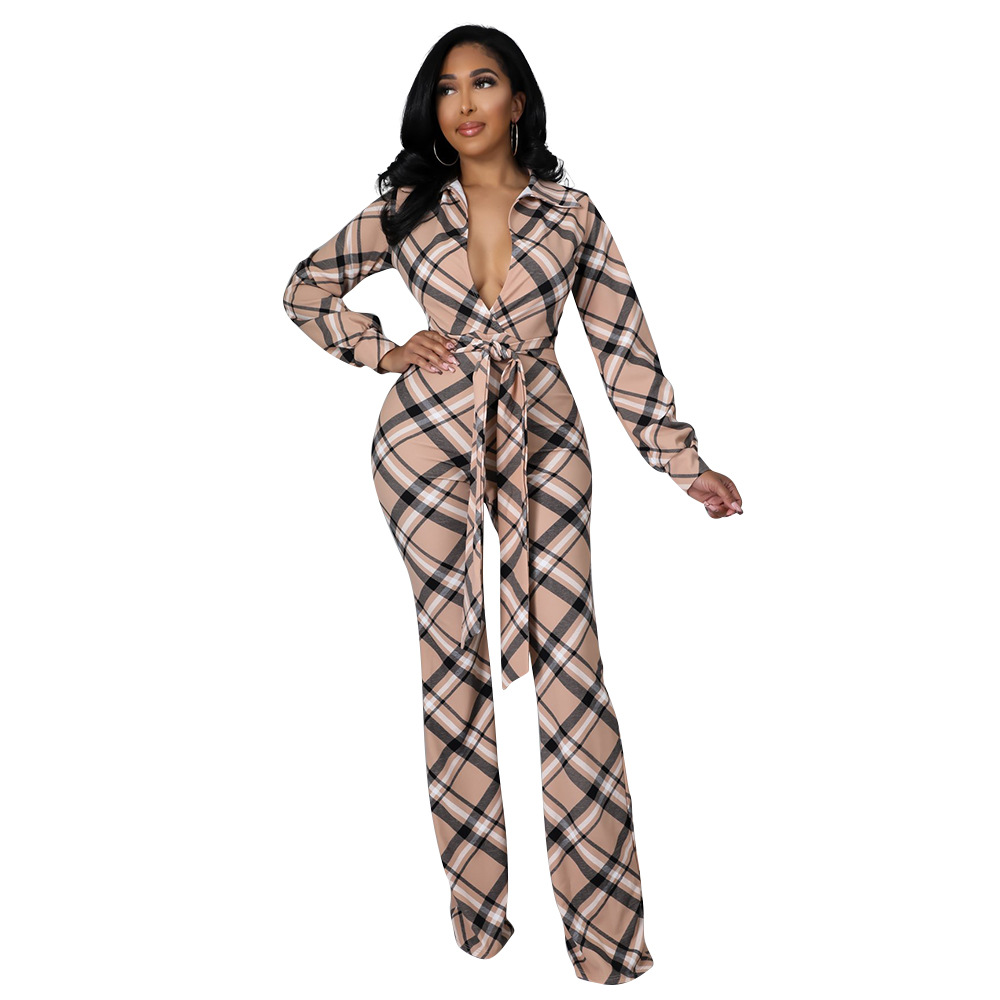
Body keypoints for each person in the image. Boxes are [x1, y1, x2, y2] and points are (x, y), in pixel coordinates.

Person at [282, 24, 743, 985]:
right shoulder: (404, 209)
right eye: (448, 87)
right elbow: (306, 290)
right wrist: (383, 349)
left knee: (573, 666)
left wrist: (682, 463)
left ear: (518, 99)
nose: (465, 103)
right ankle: (479, 915)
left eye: (484, 82)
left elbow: (622, 341)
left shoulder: (572, 214)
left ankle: (607, 939)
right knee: (451, 659)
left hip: (545, 437)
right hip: (423, 440)